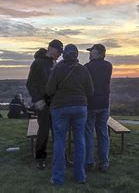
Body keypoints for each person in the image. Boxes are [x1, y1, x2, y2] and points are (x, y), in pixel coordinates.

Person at [46, 44, 94, 186]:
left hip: (60, 107)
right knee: (80, 141)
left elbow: (49, 90)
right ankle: (80, 176)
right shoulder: (83, 69)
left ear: (64, 54)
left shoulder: (57, 69)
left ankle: (58, 178)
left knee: (59, 141)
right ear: (76, 55)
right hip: (80, 107)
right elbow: (90, 91)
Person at [26, 39, 63, 170]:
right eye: (59, 51)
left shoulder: (55, 63)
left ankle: (59, 156)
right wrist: (37, 100)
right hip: (43, 103)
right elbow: (30, 84)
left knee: (57, 130)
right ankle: (40, 158)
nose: (60, 54)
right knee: (43, 131)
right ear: (52, 48)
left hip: (56, 102)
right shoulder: (38, 63)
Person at [84, 44, 113, 173]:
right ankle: (104, 163)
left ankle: (89, 162)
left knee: (89, 134)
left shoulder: (87, 67)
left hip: (90, 104)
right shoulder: (108, 66)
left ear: (98, 53)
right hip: (104, 104)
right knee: (103, 134)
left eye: (91, 52)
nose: (89, 54)